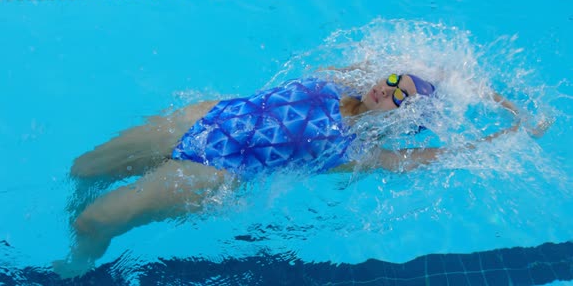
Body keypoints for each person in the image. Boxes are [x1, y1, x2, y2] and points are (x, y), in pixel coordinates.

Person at [53, 69, 538, 278]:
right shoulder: (338, 78)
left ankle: (75, 267)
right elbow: (443, 76)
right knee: (83, 169)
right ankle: (73, 224)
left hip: (211, 171)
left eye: (400, 96)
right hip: (200, 119)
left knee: (92, 222)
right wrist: (483, 93)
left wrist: (513, 128)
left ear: (402, 119)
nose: (386, 89)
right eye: (393, 80)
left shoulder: (358, 151)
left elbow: (438, 157)